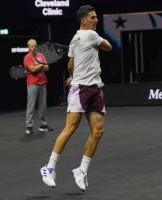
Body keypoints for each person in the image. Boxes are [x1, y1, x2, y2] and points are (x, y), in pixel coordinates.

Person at [40, 5, 112, 191]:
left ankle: (81, 170)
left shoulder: (74, 39)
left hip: (95, 89)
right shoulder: (90, 35)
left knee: (98, 131)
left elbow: (71, 64)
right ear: (84, 20)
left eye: (96, 17)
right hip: (81, 91)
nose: (97, 20)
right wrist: (77, 78)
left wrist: (73, 75)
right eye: (93, 17)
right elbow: (109, 47)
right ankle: (49, 168)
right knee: (70, 128)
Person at [23, 39, 53, 135]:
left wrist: (38, 66)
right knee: (31, 106)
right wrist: (41, 66)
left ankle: (43, 125)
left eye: (35, 46)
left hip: (43, 83)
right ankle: (29, 127)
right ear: (28, 47)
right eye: (32, 46)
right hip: (32, 84)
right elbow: (32, 69)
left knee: (43, 106)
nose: (34, 48)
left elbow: (47, 68)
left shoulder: (41, 55)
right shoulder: (27, 57)